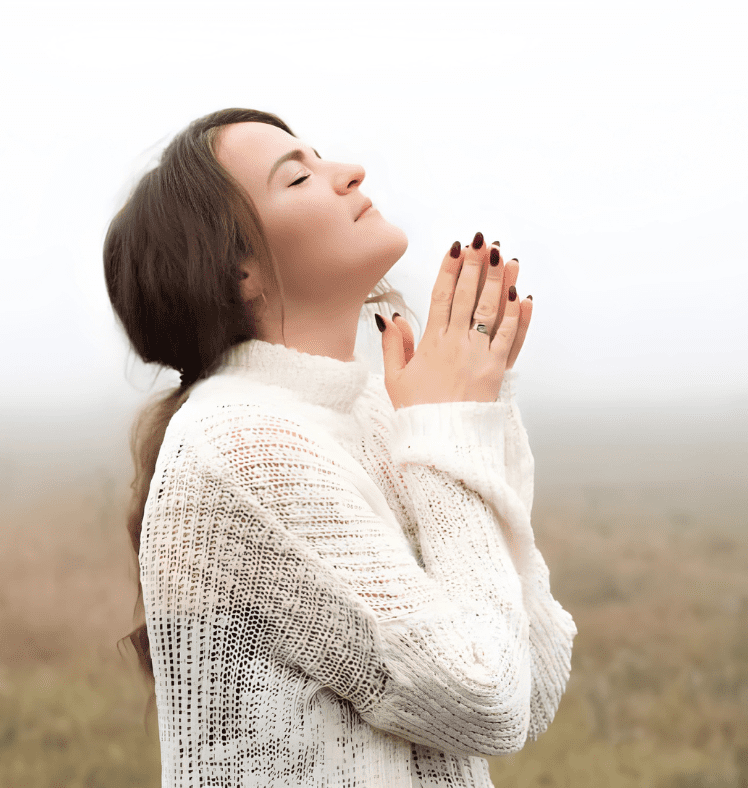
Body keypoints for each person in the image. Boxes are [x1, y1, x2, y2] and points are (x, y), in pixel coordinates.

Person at [103, 107, 576, 787]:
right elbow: (486, 699)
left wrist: (470, 406)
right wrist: (450, 425)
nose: (349, 172)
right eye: (297, 178)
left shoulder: (380, 412)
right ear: (239, 272)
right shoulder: (240, 444)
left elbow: (531, 684)